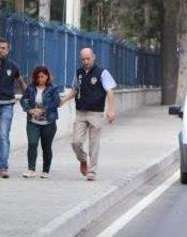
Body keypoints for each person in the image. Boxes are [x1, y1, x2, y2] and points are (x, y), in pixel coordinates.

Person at [61, 47, 117, 181]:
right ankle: (83, 159)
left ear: (94, 57)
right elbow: (75, 89)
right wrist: (63, 100)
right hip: (80, 112)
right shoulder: (78, 72)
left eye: (88, 58)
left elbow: (110, 91)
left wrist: (110, 110)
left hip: (95, 113)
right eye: (83, 59)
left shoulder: (102, 72)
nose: (85, 61)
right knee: (76, 142)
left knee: (94, 143)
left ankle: (92, 171)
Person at [20, 66, 61, 178]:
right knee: (32, 144)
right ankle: (31, 169)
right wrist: (29, 109)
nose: (40, 79)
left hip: (49, 123)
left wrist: (42, 110)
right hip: (32, 122)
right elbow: (23, 99)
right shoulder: (31, 88)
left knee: (46, 146)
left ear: (47, 76)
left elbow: (56, 103)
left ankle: (45, 170)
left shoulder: (53, 88)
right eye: (37, 77)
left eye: (42, 76)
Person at [0, 38, 27, 178]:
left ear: (8, 50)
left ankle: (3, 167)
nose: (1, 50)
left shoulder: (13, 66)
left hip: (7, 105)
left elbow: (21, 82)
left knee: (3, 136)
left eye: (4, 48)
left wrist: (28, 97)